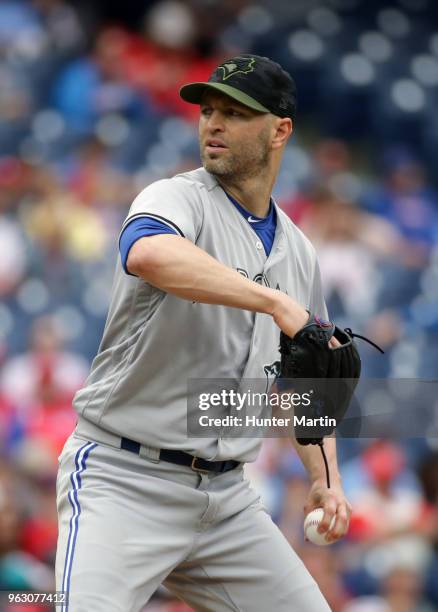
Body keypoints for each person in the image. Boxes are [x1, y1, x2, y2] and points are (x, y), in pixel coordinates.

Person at [55, 54, 352, 612]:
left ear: (279, 130)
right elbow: (146, 253)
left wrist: (325, 477)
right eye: (208, 110)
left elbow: (303, 382)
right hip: (124, 478)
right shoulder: (176, 197)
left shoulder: (298, 251)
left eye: (235, 113)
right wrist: (273, 301)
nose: (213, 123)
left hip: (227, 501)